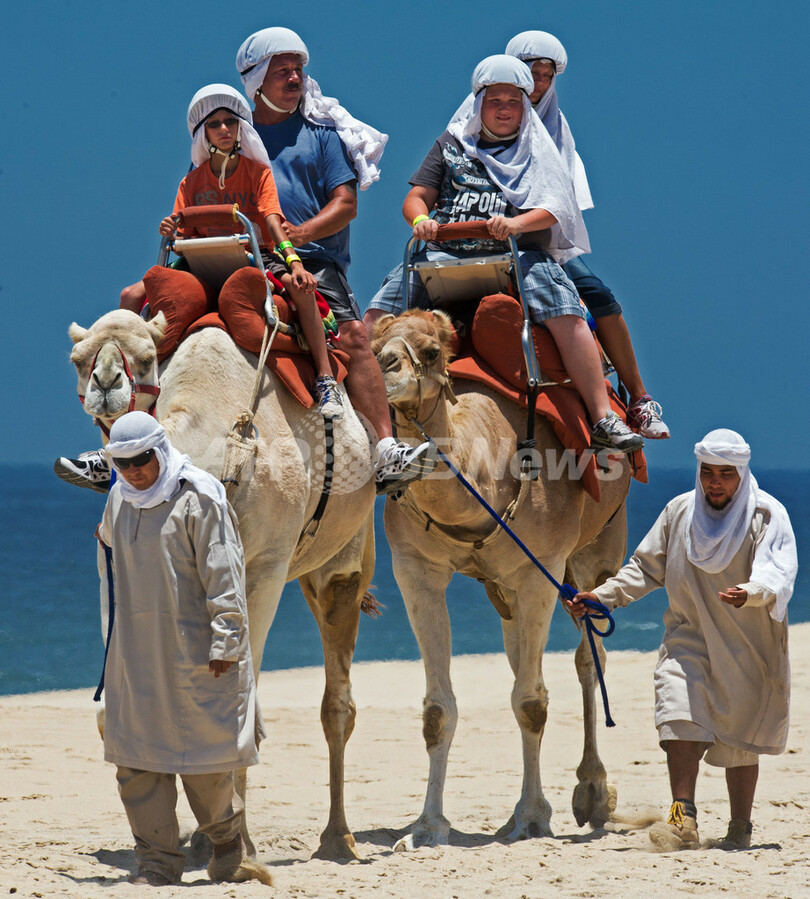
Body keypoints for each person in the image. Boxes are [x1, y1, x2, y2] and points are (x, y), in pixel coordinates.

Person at [56, 84, 344, 492]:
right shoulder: (191, 181)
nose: (224, 129)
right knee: (131, 296)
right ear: (203, 134)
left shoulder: (259, 173)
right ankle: (124, 400)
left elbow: (273, 219)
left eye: (230, 122)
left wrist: (294, 262)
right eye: (215, 125)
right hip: (199, 263)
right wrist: (170, 228)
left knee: (300, 289)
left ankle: (326, 378)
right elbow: (178, 230)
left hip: (253, 258)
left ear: (241, 128)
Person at [364, 55, 643, 454]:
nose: (504, 109)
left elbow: (556, 207)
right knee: (375, 318)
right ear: (479, 104)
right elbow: (417, 195)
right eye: (495, 100)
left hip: (516, 257)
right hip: (444, 254)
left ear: (524, 106)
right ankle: (364, 420)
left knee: (568, 311)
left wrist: (516, 224)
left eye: (514, 101)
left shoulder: (537, 148)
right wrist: (420, 220)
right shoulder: (452, 144)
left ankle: (603, 417)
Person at [565, 429, 797, 850]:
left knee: (739, 742)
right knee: (677, 718)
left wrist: (752, 592)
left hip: (748, 644)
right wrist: (600, 598)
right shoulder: (679, 512)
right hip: (687, 637)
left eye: (726, 474)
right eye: (708, 472)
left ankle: (740, 827)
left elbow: (777, 572)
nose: (716, 482)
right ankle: (681, 817)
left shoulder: (766, 515)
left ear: (741, 475)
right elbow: (644, 567)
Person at [236, 26, 433, 490]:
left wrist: (296, 233)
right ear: (257, 81)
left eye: (299, 70)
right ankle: (127, 436)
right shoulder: (231, 137)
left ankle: (385, 448)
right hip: (244, 257)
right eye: (282, 71)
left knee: (354, 336)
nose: (295, 78)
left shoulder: (321, 136)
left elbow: (346, 204)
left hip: (311, 259)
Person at [97, 411, 271, 886]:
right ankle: (157, 864)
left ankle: (227, 843)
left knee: (205, 761)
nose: (134, 471)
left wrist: (228, 641)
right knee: (137, 763)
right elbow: (110, 559)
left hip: (198, 652)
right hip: (136, 655)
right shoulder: (119, 499)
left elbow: (226, 575)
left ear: (161, 450)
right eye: (124, 462)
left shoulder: (200, 496)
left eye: (142, 459)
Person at [505, 30, 669, 440]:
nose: (538, 82)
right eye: (530, 72)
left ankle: (638, 398)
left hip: (537, 244)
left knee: (598, 296)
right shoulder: (477, 120)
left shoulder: (555, 130)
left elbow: (559, 196)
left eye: (545, 74)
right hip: (474, 240)